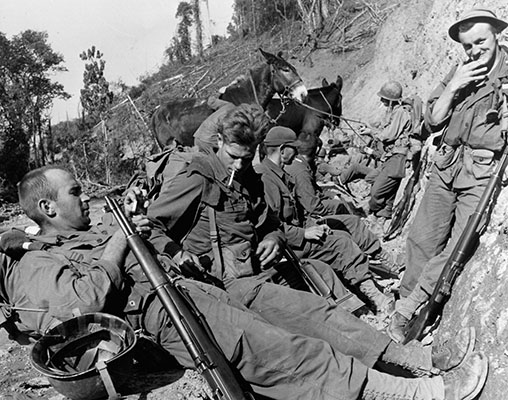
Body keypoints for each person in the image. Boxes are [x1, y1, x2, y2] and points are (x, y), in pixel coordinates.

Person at [2, 166, 488, 400]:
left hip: (197, 286)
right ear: (47, 209)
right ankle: (423, 395)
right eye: (75, 192)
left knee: (309, 311)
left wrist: (162, 247)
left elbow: (158, 244)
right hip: (167, 315)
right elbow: (82, 302)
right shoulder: (35, 263)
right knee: (282, 350)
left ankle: (414, 360)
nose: (85, 197)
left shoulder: (94, 230)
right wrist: (120, 245)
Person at [388, 8, 508, 342]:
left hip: (481, 173)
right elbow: (433, 120)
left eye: (481, 41)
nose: (475, 51)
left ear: (497, 35)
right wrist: (454, 86)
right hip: (446, 165)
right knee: (422, 238)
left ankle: (412, 307)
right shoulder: (458, 71)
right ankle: (404, 300)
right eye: (468, 45)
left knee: (458, 244)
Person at [255, 126, 392, 312]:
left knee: (340, 234)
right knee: (341, 244)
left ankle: (369, 288)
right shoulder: (266, 179)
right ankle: (376, 299)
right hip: (288, 247)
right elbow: (271, 227)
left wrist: (314, 225)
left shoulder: (278, 175)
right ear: (282, 150)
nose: (296, 153)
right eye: (293, 148)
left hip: (296, 237)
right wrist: (305, 233)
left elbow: (298, 214)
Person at [285, 131, 402, 275]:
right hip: (306, 223)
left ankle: (372, 252)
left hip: (303, 220)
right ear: (315, 151)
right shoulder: (301, 171)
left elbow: (314, 192)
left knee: (348, 217)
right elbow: (313, 206)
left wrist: (330, 195)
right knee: (350, 221)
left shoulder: (297, 166)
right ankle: (383, 258)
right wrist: (331, 202)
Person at [339, 81, 416, 232]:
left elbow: (388, 135)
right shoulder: (392, 112)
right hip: (389, 157)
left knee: (376, 191)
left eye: (384, 98)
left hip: (397, 158)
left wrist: (371, 132)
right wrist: (370, 128)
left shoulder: (400, 112)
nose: (381, 100)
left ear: (391, 99)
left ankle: (375, 210)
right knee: (377, 182)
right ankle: (382, 214)